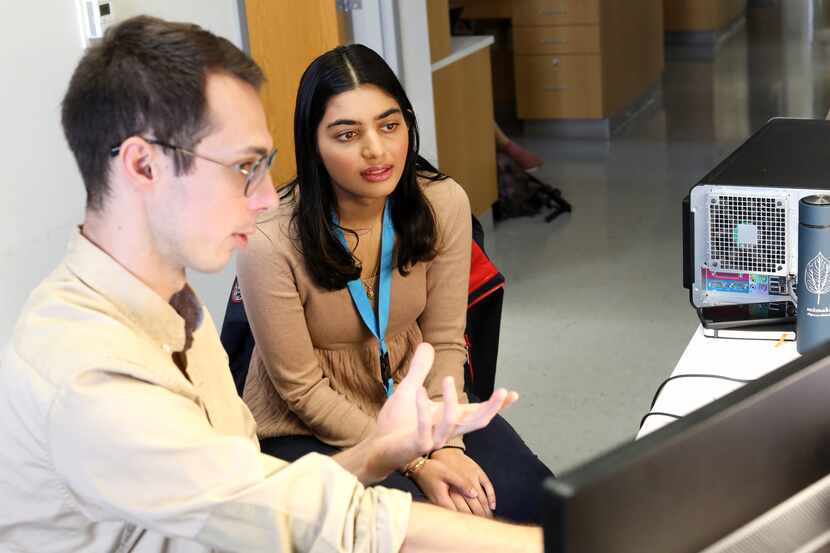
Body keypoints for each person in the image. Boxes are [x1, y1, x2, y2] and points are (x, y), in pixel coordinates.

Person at [0, 15, 543, 552]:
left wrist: (383, 450)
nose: (264, 198)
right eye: (242, 167)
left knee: (526, 492)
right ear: (144, 167)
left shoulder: (172, 311)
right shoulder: (93, 373)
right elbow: (303, 521)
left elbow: (263, 497)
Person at [237, 44, 553, 523]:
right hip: (308, 421)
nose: (377, 150)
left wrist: (446, 443)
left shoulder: (441, 202)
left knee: (533, 500)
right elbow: (301, 390)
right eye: (347, 134)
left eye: (389, 126)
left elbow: (446, 340)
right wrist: (414, 459)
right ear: (314, 145)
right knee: (421, 523)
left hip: (418, 399)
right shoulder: (269, 239)